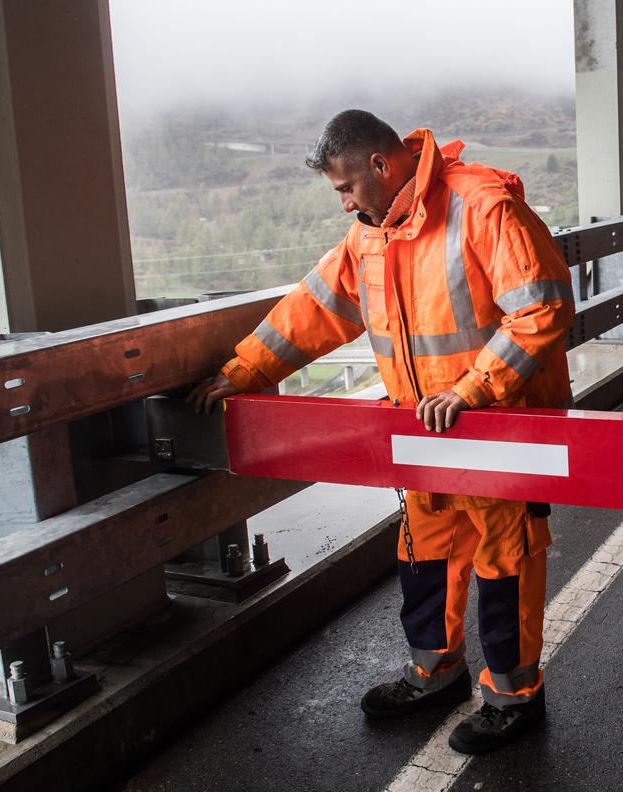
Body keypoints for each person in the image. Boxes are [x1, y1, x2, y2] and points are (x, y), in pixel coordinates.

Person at [187, 110, 574, 754]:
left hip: (495, 427)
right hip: (422, 437)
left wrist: (473, 390)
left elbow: (542, 304)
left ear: (381, 165)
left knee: (505, 562)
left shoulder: (481, 205)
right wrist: (245, 371)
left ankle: (513, 698)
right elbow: (314, 309)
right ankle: (436, 673)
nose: (343, 204)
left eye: (345, 188)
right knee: (425, 556)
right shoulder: (372, 235)